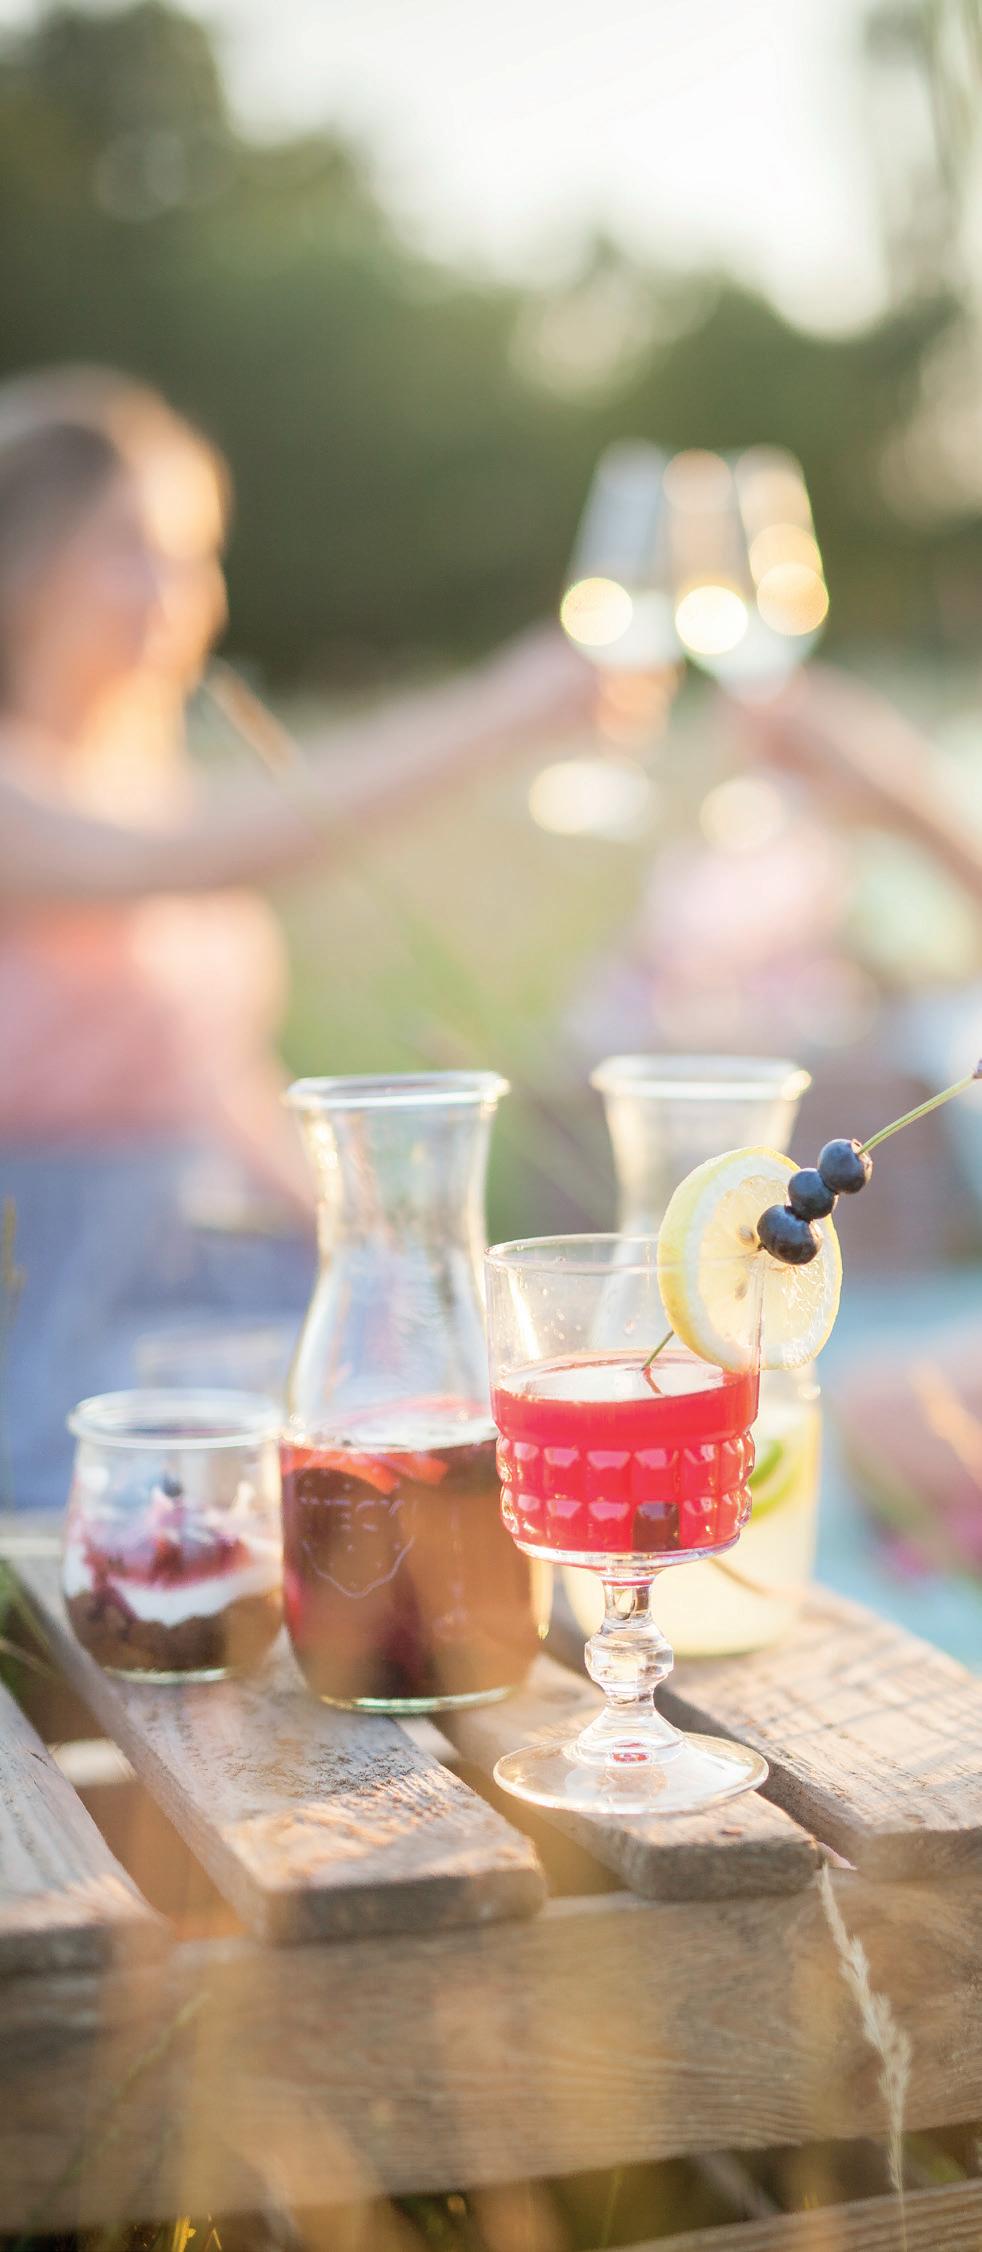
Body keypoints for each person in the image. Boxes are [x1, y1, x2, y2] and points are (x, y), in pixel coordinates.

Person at [0, 367, 588, 1508]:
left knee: (503, 1412)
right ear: (22, 557)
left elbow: (214, 1082)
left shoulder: (154, 789)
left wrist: (390, 1267)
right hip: (57, 1314)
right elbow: (194, 857)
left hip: (215, 1291)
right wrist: (509, 708)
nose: (174, 594)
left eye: (193, 554)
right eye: (126, 548)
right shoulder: (46, 806)